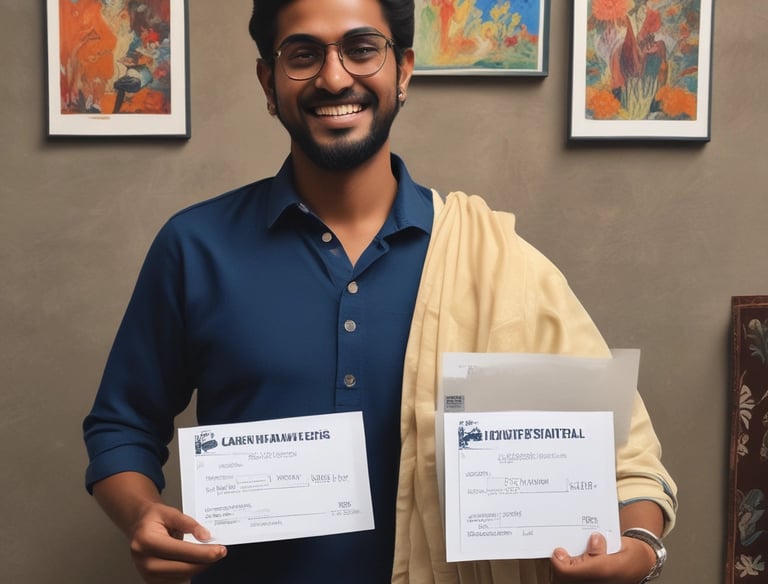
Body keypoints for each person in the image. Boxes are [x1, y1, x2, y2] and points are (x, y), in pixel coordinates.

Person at [83, 0, 677, 583]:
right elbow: (123, 425)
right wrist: (140, 513)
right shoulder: (195, 246)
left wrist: (639, 545)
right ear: (269, 81)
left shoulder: (489, 256)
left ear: (404, 71)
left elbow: (622, 453)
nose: (334, 76)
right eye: (303, 54)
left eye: (362, 50)